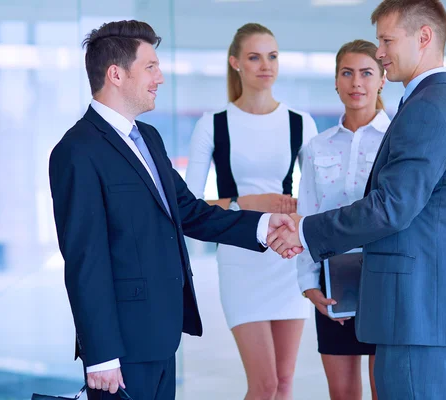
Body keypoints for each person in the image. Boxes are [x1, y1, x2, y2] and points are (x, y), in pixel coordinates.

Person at [48, 20, 299, 400]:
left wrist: (262, 226)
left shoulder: (147, 136)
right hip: (120, 347)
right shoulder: (76, 151)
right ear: (116, 74)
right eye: (150, 66)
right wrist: (100, 355)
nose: (160, 78)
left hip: (162, 333)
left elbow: (189, 211)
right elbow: (85, 259)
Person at [269, 1, 446, 398]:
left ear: (424, 37)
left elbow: (390, 208)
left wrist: (305, 230)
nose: (382, 52)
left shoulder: (425, 110)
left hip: (415, 313)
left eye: (387, 40)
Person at [185, 23, 317, 400]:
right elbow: (188, 207)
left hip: (287, 258)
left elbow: (315, 197)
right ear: (235, 63)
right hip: (240, 261)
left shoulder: (300, 122)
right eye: (255, 57)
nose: (266, 65)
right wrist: (247, 204)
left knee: (286, 382)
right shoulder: (212, 124)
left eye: (272, 56)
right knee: (264, 385)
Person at [296, 39, 388, 400]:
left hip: (385, 277)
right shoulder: (318, 146)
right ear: (335, 81)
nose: (356, 83)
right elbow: (307, 216)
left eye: (367, 73)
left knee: (385, 389)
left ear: (382, 79)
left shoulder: (397, 140)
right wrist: (308, 284)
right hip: (333, 281)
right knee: (343, 393)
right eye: (347, 73)